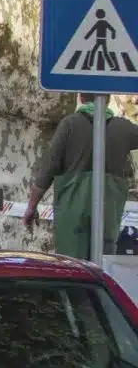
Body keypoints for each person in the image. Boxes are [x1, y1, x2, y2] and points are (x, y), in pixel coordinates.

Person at [23, 95, 138, 259]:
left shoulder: (69, 124)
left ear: (81, 98)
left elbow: (49, 167)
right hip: (108, 207)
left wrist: (31, 206)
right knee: (103, 263)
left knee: (72, 264)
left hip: (72, 207)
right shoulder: (123, 127)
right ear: (107, 99)